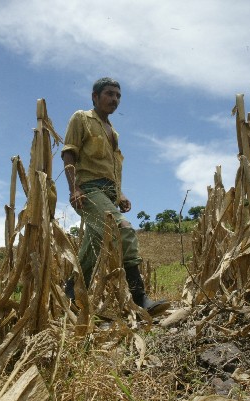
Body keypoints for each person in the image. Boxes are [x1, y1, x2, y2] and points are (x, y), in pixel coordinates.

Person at [61, 77, 169, 316]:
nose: (114, 99)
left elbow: (111, 167)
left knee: (91, 249)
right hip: (88, 190)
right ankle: (140, 297)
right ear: (95, 97)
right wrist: (73, 189)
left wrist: (119, 195)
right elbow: (69, 154)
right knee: (125, 230)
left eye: (118, 96)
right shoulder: (81, 118)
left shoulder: (113, 132)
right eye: (109, 94)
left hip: (108, 193)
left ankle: (70, 296)